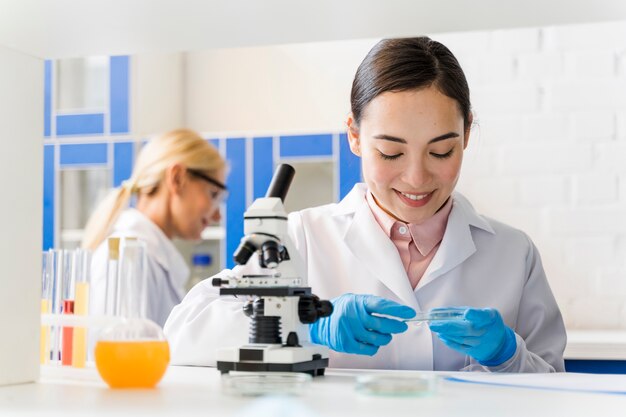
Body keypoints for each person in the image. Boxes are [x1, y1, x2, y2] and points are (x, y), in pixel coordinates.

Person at [164, 37, 566, 372]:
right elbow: (182, 337)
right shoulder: (300, 239)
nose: (416, 178)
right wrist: (306, 320)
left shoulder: (513, 254)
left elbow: (557, 393)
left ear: (465, 134)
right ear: (354, 136)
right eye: (391, 153)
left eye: (441, 151)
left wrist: (507, 355)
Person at [83, 129, 227, 327]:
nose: (217, 215)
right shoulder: (128, 255)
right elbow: (122, 352)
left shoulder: (148, 255)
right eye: (213, 194)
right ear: (177, 178)